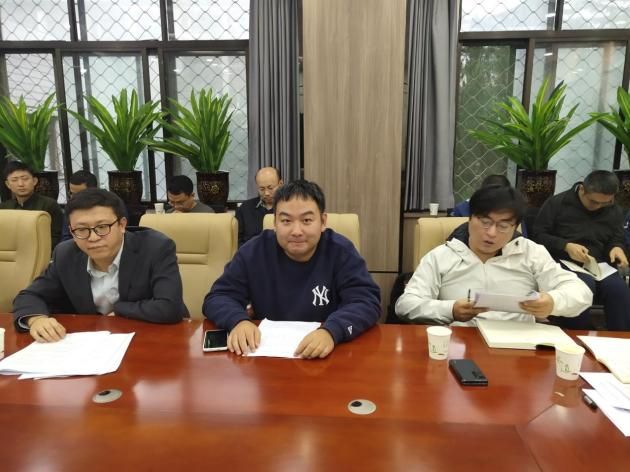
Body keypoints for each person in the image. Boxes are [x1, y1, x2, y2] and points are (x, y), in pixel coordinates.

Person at [203, 179, 381, 359]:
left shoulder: (341, 251)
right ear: (275, 222)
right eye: (286, 220)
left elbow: (366, 302)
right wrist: (238, 321)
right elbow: (218, 297)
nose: (296, 231)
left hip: (326, 356)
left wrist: (332, 331)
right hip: (268, 358)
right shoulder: (254, 251)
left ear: (323, 221)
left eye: (307, 220)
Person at [395, 185, 592, 326]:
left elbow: (581, 292)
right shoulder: (441, 256)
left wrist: (552, 302)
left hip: (519, 346)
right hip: (461, 343)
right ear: (470, 218)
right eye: (485, 222)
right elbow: (406, 305)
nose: (491, 233)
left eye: (503, 226)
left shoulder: (531, 253)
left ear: (516, 227)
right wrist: (450, 309)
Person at [13, 188, 188, 342]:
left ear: (122, 225)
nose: (93, 237)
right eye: (82, 229)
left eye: (102, 227)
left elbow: (169, 307)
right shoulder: (66, 254)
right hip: (91, 345)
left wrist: (119, 309)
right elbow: (29, 296)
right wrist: (36, 319)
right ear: (71, 231)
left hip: (153, 339)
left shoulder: (155, 248)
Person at [533, 170, 630, 330]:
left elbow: (616, 237)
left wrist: (617, 247)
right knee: (582, 286)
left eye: (605, 203)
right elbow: (538, 235)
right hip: (562, 261)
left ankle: (621, 339)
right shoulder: (558, 203)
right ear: (582, 189)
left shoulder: (613, 209)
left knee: (619, 290)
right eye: (594, 202)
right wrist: (566, 245)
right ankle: (574, 335)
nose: (598, 206)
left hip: (598, 265)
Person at [1, 160, 63, 248]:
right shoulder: (4, 208)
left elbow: (56, 237)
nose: (20, 184)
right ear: (8, 184)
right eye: (14, 180)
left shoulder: (49, 205)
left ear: (34, 181)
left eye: (25, 179)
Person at [236, 167, 283, 246]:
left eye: (270, 188)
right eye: (262, 189)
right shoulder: (244, 209)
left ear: (280, 184)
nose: (266, 193)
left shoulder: (289, 208)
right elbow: (237, 241)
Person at [61, 170, 98, 241]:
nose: (75, 198)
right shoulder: (70, 208)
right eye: (72, 193)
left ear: (93, 191)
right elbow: (66, 237)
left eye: (80, 194)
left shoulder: (108, 206)